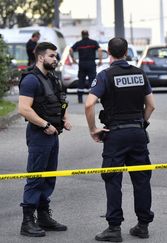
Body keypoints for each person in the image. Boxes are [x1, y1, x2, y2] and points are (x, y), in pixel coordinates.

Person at [85, 37, 155, 242]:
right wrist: (140, 123)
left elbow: (89, 104)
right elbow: (151, 105)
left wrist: (93, 129)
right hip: (137, 133)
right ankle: (143, 226)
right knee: (141, 180)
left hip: (115, 135)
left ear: (109, 52)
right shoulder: (140, 74)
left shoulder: (105, 76)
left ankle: (114, 229)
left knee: (113, 180)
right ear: (126, 52)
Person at [18, 42, 72, 237]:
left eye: (56, 56)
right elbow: (24, 108)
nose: (55, 59)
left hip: (53, 134)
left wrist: (64, 118)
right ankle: (27, 221)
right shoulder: (31, 80)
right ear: (40, 57)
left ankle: (43, 216)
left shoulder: (52, 78)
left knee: (48, 176)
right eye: (51, 56)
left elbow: (59, 101)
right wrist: (45, 125)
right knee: (35, 177)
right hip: (39, 134)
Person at [70, 30, 102, 104]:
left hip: (82, 64)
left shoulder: (79, 43)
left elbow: (71, 50)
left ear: (82, 35)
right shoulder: (93, 42)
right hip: (91, 64)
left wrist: (73, 59)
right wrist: (100, 60)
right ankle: (94, 98)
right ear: (88, 34)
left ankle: (80, 99)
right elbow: (100, 50)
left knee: (81, 80)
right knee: (92, 81)